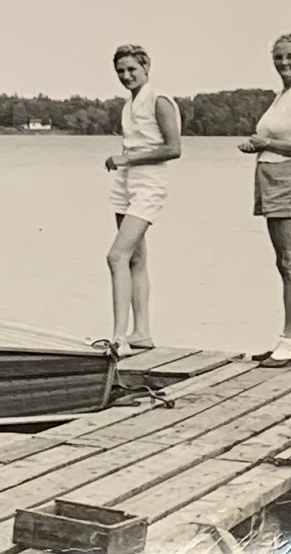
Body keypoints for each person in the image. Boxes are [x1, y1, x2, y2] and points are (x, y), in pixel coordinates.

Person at [239, 33, 291, 368]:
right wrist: (261, 145)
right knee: (283, 264)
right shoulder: (284, 94)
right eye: (279, 57)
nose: (284, 62)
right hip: (273, 183)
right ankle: (286, 339)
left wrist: (261, 144)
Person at [104, 44, 182, 356]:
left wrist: (127, 160)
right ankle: (142, 333)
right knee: (135, 258)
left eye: (132, 69)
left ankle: (118, 337)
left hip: (149, 184)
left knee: (116, 256)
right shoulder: (129, 104)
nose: (126, 75)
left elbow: (174, 148)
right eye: (121, 71)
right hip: (126, 184)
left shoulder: (159, 100)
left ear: (146, 67)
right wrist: (123, 162)